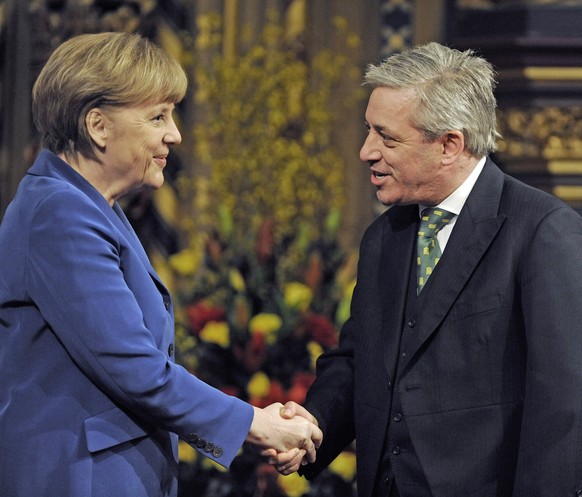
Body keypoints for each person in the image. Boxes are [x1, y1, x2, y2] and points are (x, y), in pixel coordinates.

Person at [0, 32, 321, 497]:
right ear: (98, 125)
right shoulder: (60, 213)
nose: (175, 134)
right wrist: (253, 423)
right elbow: (134, 367)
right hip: (78, 478)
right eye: (157, 117)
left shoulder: (89, 207)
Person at [269, 42, 582, 496]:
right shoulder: (384, 237)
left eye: (387, 137)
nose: (366, 152)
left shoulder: (542, 232)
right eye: (368, 131)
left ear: (449, 145)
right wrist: (314, 425)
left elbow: (563, 405)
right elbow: (360, 360)